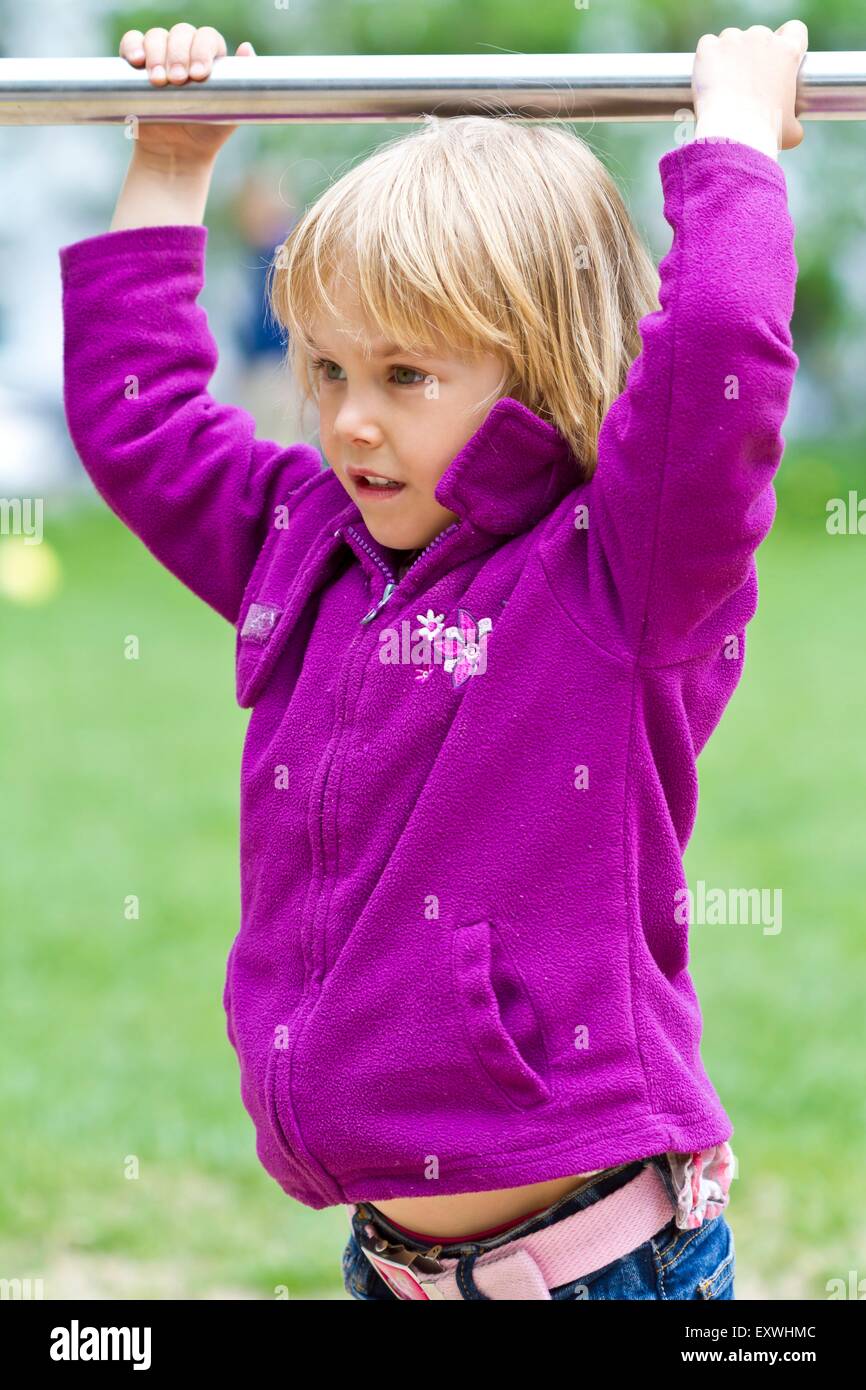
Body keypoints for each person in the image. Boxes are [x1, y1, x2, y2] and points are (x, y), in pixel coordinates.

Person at [58, 18, 807, 1299]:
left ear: (541, 360)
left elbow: (717, 365)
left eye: (406, 374)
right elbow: (145, 424)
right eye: (326, 367)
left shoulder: (616, 576)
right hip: (389, 1267)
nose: (348, 418)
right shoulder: (306, 546)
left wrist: (728, 142)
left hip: (600, 1273)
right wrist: (172, 167)